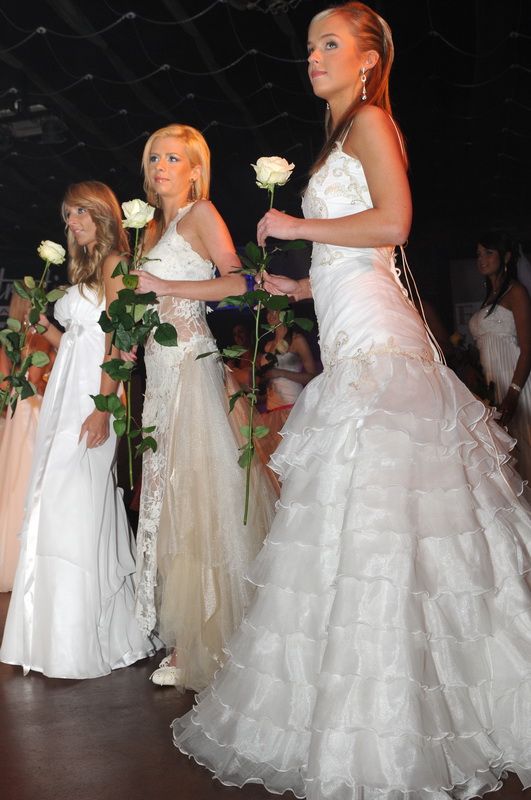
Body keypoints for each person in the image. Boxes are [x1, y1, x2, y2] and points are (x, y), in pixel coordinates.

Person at [173, 4, 531, 797]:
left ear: (368, 59)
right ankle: (369, 694)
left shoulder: (370, 121)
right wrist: (297, 285)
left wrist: (294, 223)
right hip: (347, 327)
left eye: (329, 43)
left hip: (376, 345)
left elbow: (394, 224)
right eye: (308, 46)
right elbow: (353, 256)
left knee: (380, 513)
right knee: (364, 519)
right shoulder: (336, 139)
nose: (313, 57)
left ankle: (396, 716)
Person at [131, 124, 275, 691]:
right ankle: (183, 630)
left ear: (195, 170)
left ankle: (200, 642)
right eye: (155, 157)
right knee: (165, 496)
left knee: (194, 494)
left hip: (191, 365)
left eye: (173, 158)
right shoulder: (152, 227)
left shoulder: (201, 213)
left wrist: (167, 289)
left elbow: (238, 282)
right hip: (158, 372)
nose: (161, 167)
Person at [0, 181, 159, 679]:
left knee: (74, 503)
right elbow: (75, 338)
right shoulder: (87, 267)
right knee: (54, 501)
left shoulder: (115, 262)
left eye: (82, 212)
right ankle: (47, 634)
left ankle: (80, 638)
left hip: (92, 396)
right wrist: (42, 325)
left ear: (103, 214)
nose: (73, 222)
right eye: (69, 215)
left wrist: (104, 407)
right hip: (64, 395)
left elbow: (118, 338)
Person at [0, 293, 55, 592]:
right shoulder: (41, 338)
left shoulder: (10, 342)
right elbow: (34, 380)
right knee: (32, 479)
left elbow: (5, 384)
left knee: (13, 479)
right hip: (34, 409)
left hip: (16, 411)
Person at [469, 230, 531, 482]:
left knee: (523, 447)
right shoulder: (489, 298)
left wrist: (513, 393)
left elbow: (527, 346)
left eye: (488, 252)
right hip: (492, 383)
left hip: (514, 381)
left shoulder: (516, 292)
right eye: (478, 254)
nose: (481, 259)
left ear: (505, 257)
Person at [258, 307, 317, 492]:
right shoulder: (268, 346)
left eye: (275, 310)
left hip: (293, 408)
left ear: (285, 313)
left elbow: (312, 376)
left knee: (294, 462)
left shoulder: (298, 340)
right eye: (268, 312)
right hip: (272, 410)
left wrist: (281, 373)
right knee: (272, 463)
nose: (271, 315)